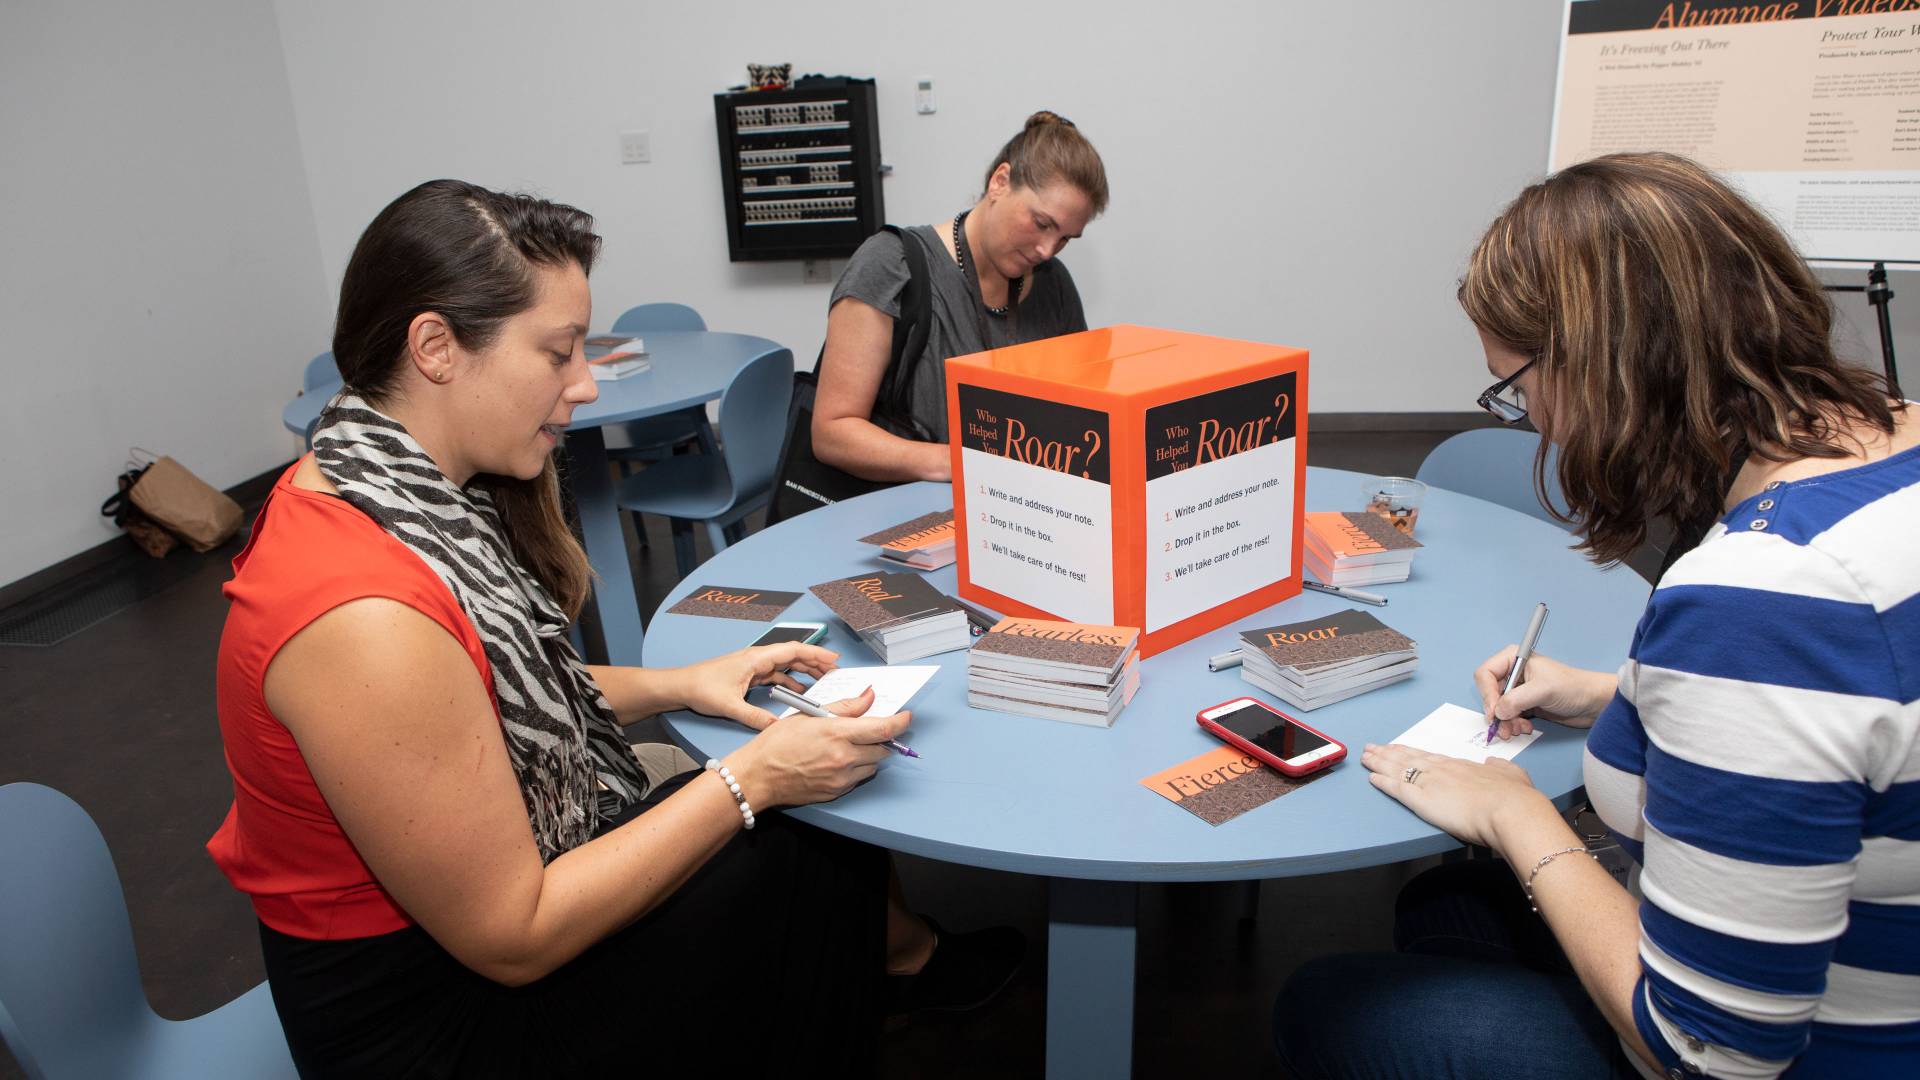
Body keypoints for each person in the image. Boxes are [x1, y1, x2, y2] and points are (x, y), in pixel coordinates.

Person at [209, 180, 919, 1076]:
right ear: (435, 348)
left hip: (462, 947)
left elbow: (485, 700)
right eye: (559, 352)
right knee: (809, 845)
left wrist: (681, 684)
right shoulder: (363, 621)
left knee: (802, 844)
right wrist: (751, 781)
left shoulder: (387, 487)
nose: (585, 383)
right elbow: (516, 936)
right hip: (431, 1019)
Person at [1273, 153, 1917, 1079]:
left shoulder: (1765, 600)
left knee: (1328, 1006)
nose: (1533, 422)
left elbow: (1702, 1053)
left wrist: (1517, 817)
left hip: (1817, 1051)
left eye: (1520, 387)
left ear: (1606, 363)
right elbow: (1855, 712)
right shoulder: (1893, 451)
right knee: (1447, 908)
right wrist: (1620, 691)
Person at [812, 110, 1109, 482]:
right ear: (1000, 182)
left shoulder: (1053, 284)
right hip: (900, 511)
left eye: (1065, 237)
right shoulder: (892, 265)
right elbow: (832, 433)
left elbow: (1082, 411)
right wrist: (963, 463)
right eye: (1042, 223)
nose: (1047, 250)